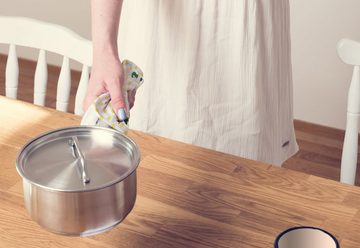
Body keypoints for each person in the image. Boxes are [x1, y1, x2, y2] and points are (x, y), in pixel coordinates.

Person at [84, 0, 298, 166]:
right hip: (161, 30)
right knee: (146, 164)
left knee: (248, 172)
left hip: (246, 27)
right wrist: (103, 51)